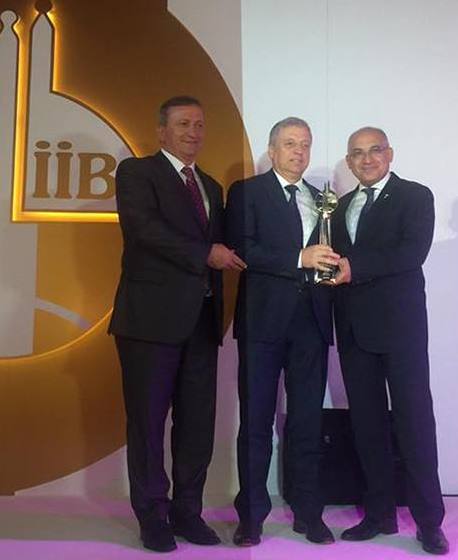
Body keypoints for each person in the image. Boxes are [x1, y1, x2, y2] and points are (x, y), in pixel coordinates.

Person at [109, 96, 245, 553]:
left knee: (196, 425)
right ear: (161, 131)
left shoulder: (210, 185)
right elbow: (143, 230)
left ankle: (188, 512)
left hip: (201, 324)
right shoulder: (136, 173)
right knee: (148, 425)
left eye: (199, 125)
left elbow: (226, 246)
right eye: (184, 124)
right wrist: (204, 253)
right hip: (149, 323)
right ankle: (153, 517)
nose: (193, 132)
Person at [333, 126, 449, 555]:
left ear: (390, 154)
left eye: (375, 150)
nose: (367, 159)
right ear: (349, 161)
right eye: (357, 153)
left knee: (414, 424)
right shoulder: (339, 207)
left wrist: (353, 268)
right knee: (367, 426)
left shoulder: (415, 197)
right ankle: (378, 513)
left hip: (400, 332)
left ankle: (429, 523)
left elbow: (410, 253)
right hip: (353, 331)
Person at [226, 117, 340, 547]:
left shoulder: (323, 199)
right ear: (272, 151)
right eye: (290, 143)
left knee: (307, 422)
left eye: (305, 144)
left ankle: (309, 513)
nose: (299, 151)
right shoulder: (247, 192)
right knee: (256, 422)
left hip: (312, 323)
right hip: (262, 322)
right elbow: (243, 248)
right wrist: (299, 257)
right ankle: (251, 516)